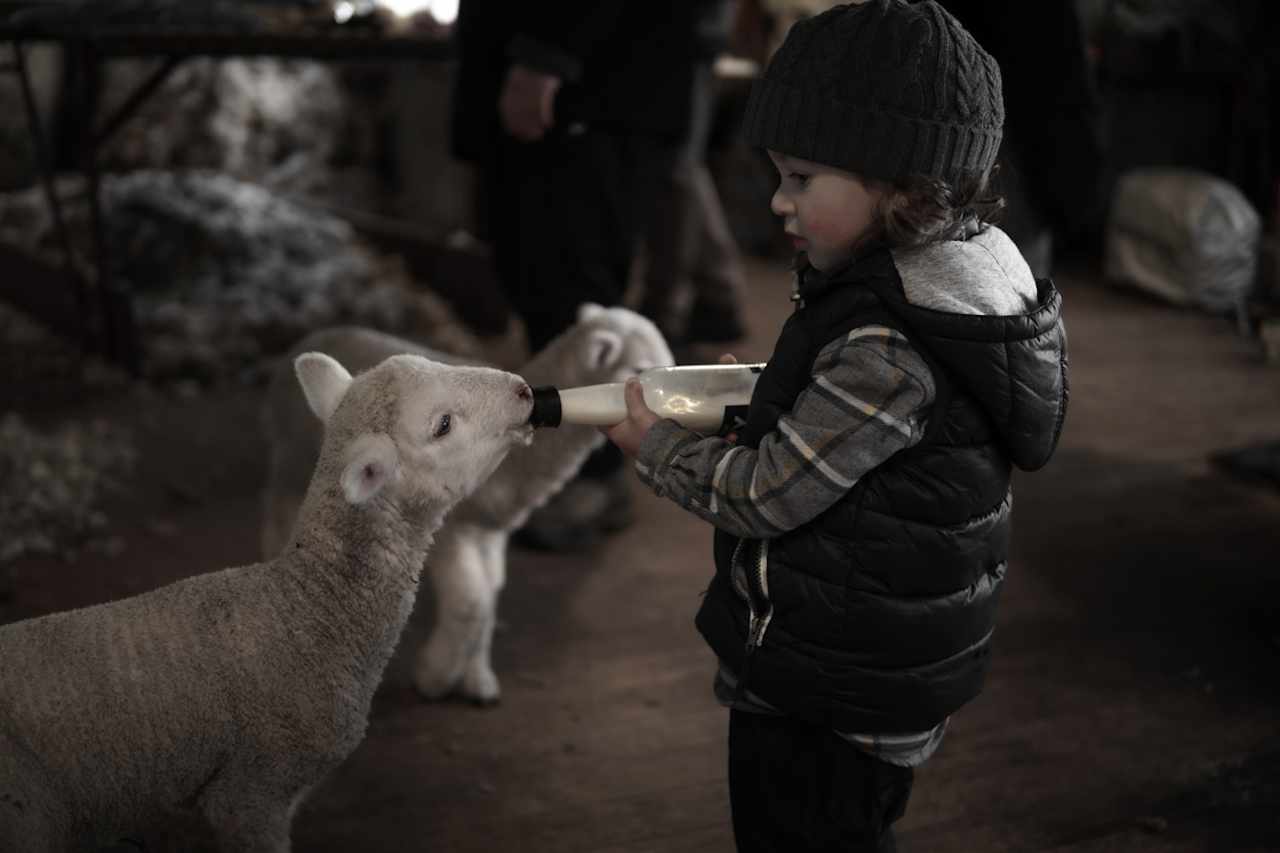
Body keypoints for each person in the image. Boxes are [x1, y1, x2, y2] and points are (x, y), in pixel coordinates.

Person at [601, 2, 1069, 850]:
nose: (778, 202)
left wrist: (659, 449)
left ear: (901, 184)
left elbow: (767, 495)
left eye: (802, 178)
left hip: (830, 692)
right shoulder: (963, 274)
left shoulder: (888, 344)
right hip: (876, 666)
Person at [450, 0, 734, 549]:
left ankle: (590, 481)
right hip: (590, 84)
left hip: (589, 88)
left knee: (572, 293)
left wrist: (546, 56)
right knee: (553, 289)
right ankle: (578, 477)